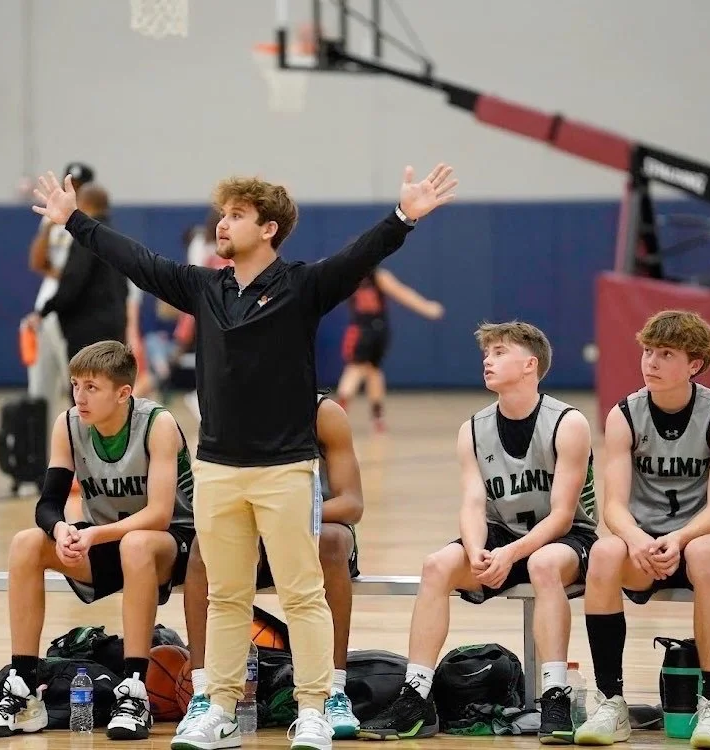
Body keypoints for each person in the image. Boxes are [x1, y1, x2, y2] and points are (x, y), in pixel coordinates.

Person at [30, 162, 457, 750]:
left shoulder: (304, 286)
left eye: (236, 216)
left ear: (270, 229)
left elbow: (359, 256)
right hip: (217, 470)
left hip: (284, 469)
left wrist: (404, 215)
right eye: (222, 214)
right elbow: (140, 263)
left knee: (302, 593)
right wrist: (74, 220)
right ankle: (220, 708)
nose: (222, 224)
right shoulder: (205, 288)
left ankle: (312, 708)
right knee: (227, 595)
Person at [357, 321, 597, 743]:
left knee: (542, 564)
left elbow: (561, 515)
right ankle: (416, 697)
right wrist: (474, 551)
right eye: (486, 353)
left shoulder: (568, 422)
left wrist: (512, 554)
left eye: (499, 352)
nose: (487, 360)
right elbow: (471, 502)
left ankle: (555, 697)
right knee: (437, 566)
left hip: (566, 539)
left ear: (530, 364)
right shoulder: (473, 428)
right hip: (501, 534)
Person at [0, 340, 195, 740]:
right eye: (75, 385)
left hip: (174, 542)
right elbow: (49, 503)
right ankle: (23, 690)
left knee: (137, 543)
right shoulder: (69, 423)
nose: (79, 396)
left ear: (123, 393)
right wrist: (62, 530)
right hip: (107, 540)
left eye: (92, 387)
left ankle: (135, 691)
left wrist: (92, 533)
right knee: (26, 543)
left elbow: (159, 514)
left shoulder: (157, 423)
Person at [572, 310, 710, 748]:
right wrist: (638, 539)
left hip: (705, 538)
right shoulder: (624, 414)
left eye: (665, 354)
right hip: (645, 543)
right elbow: (613, 505)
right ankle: (611, 701)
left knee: (704, 555)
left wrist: (680, 538)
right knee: (606, 553)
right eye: (647, 351)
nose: (650, 362)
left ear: (694, 364)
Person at [181, 392, 364, 738]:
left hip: (307, 531)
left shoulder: (324, 413)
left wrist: (282, 519)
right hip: (249, 539)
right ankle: (205, 691)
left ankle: (333, 690)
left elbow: (352, 503)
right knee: (200, 551)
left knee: (332, 541)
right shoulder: (229, 410)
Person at [334, 267, 445, 431]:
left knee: (357, 369)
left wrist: (426, 307)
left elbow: (401, 293)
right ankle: (377, 418)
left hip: (362, 330)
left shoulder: (351, 274)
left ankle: (339, 413)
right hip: (378, 331)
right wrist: (427, 307)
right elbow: (403, 293)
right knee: (373, 371)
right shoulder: (377, 275)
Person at [27, 162, 93, 423]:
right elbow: (37, 260)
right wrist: (61, 273)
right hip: (54, 302)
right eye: (72, 183)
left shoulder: (86, 219)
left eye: (79, 186)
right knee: (46, 380)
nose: (74, 189)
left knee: (71, 379)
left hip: (66, 302)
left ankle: (75, 437)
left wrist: (64, 275)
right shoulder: (57, 217)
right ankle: (38, 446)